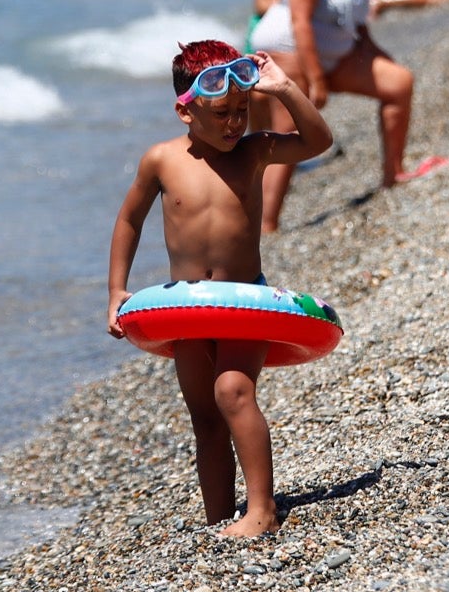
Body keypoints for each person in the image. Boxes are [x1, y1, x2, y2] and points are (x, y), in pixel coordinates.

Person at [106, 41, 332, 537]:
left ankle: (262, 509)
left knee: (233, 391)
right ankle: (217, 518)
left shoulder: (254, 152)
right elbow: (128, 221)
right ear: (186, 111)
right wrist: (116, 291)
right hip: (187, 309)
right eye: (222, 113)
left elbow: (317, 140)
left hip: (243, 301)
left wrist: (284, 89)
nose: (235, 123)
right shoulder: (161, 160)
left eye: (242, 110)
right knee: (204, 416)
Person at [249, 0, 417, 231]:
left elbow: (355, 12)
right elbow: (300, 21)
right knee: (289, 130)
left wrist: (372, 49)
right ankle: (265, 225)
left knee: (399, 82)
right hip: (289, 48)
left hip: (337, 51)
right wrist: (316, 81)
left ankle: (393, 174)